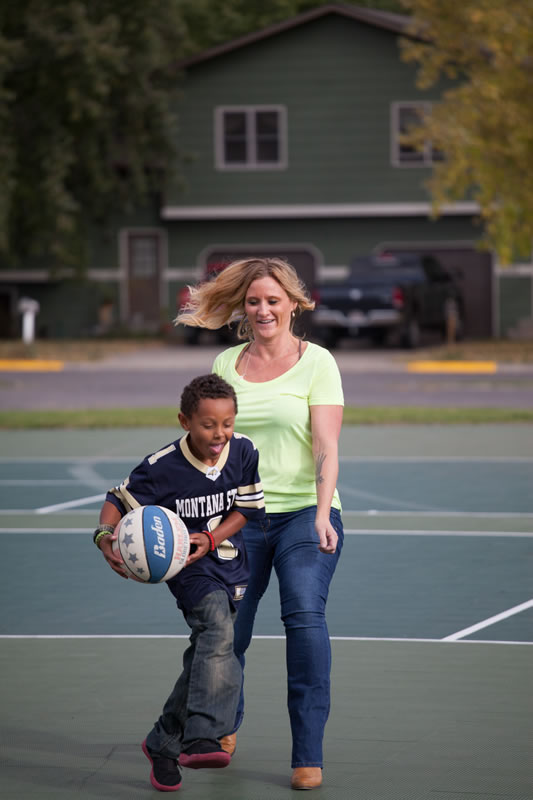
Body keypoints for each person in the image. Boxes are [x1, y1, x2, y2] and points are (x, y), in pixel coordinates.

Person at [176, 257, 344, 790]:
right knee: (227, 628)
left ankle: (307, 756)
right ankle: (222, 727)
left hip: (302, 514)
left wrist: (321, 513)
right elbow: (209, 444)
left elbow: (326, 445)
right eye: (254, 301)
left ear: (294, 303)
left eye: (273, 299)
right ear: (243, 308)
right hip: (239, 519)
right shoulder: (226, 365)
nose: (264, 309)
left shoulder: (318, 363)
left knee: (303, 614)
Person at [94, 373, 265, 792]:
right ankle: (202, 735)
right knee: (216, 628)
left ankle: (162, 742)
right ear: (185, 421)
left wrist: (212, 538)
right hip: (186, 567)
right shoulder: (161, 467)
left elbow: (248, 508)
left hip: (228, 561)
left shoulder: (243, 451)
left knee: (206, 655)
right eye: (209, 424)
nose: (220, 433)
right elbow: (117, 499)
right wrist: (103, 538)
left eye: (227, 423)